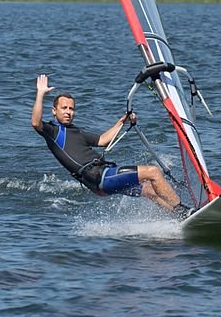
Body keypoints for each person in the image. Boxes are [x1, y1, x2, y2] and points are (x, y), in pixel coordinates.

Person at [31, 74, 190, 218]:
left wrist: (122, 121)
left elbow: (102, 140)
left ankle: (179, 217)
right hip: (99, 176)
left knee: (149, 190)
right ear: (54, 110)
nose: (68, 112)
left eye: (71, 108)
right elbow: (35, 122)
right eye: (64, 108)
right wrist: (41, 93)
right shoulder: (53, 131)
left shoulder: (76, 131)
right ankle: (182, 210)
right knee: (153, 172)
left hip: (100, 182)